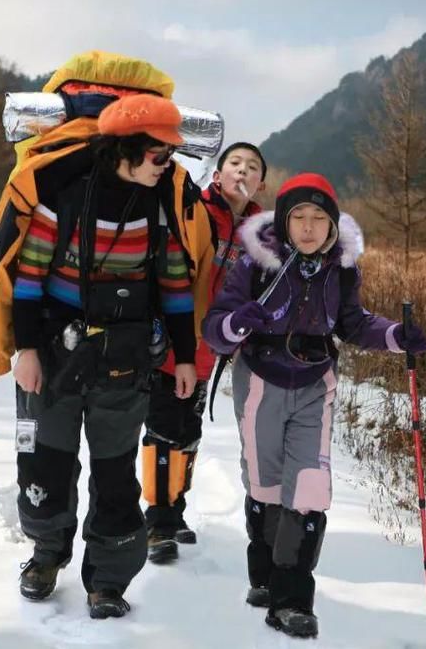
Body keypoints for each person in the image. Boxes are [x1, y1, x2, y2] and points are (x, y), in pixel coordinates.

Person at [201, 173, 426, 638]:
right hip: (261, 380)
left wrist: (394, 336)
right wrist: (237, 323)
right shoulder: (254, 265)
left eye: (319, 218)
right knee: (265, 483)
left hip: (315, 382)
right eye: (299, 218)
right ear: (284, 223)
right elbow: (214, 328)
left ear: (332, 225)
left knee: (308, 487)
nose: (309, 228)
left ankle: (291, 597)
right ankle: (264, 572)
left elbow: (354, 323)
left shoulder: (341, 270)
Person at [9, 93, 199, 619]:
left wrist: (185, 357)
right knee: (47, 461)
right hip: (55, 358)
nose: (168, 166)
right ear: (127, 150)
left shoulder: (160, 208)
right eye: (160, 155)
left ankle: (109, 580)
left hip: (125, 359)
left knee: (115, 473)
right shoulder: (65, 199)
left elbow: (176, 287)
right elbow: (28, 281)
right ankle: (46, 556)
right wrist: (25, 349)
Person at [142, 142, 268, 564]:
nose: (242, 171)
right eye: (234, 163)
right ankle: (156, 521)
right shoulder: (195, 209)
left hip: (211, 348)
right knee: (162, 427)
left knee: (188, 430)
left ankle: (174, 510)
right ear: (217, 175)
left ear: (260, 184)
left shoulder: (261, 233)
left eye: (252, 168)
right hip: (173, 339)